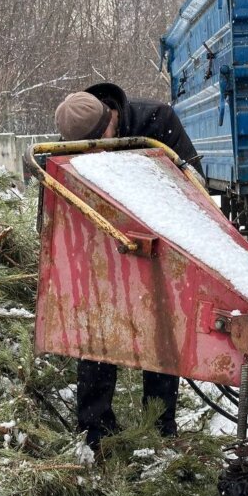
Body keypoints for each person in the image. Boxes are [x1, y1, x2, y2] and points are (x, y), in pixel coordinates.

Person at [54, 82, 202, 450]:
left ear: (111, 118)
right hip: (106, 247)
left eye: (100, 139)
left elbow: (195, 183)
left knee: (161, 334)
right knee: (98, 332)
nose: (98, 150)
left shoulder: (157, 121)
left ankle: (160, 426)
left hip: (160, 241)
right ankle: (96, 431)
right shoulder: (73, 143)